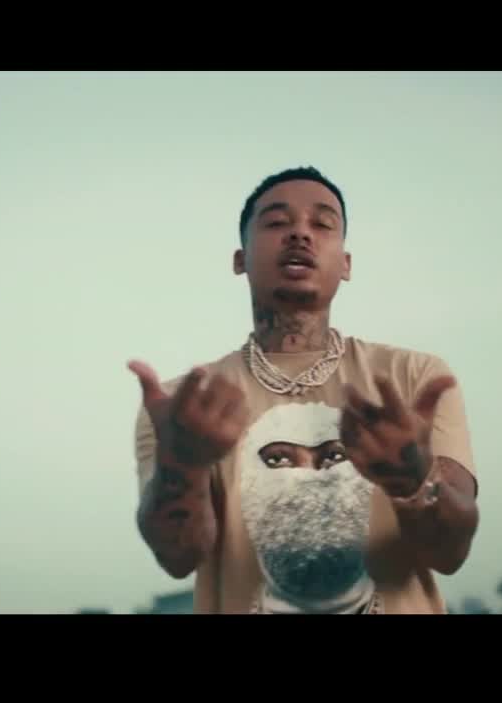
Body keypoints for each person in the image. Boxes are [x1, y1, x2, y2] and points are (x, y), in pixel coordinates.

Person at [128, 166, 478, 614]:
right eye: (276, 222)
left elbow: (451, 553)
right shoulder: (187, 408)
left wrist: (415, 479)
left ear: (346, 264)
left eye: (322, 224)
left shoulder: (413, 378)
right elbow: (177, 557)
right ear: (240, 259)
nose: (299, 234)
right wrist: (183, 464)